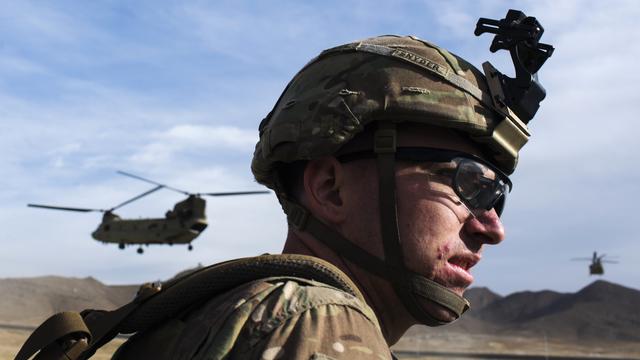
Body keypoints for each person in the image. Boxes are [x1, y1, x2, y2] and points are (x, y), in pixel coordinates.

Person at [109, 26, 552, 358]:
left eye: (496, 196)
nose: (492, 228)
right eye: (468, 183)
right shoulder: (314, 325)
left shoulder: (227, 310)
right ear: (329, 190)